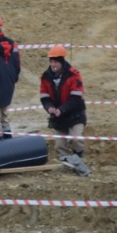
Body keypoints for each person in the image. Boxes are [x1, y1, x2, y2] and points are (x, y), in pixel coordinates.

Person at [39, 44, 90, 176]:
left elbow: (76, 98)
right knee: (60, 146)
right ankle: (68, 164)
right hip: (59, 116)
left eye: (56, 61)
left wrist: (62, 109)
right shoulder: (46, 77)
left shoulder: (73, 75)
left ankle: (79, 161)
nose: (53, 64)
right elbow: (44, 97)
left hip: (75, 114)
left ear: (61, 62)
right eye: (51, 61)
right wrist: (49, 107)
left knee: (76, 138)